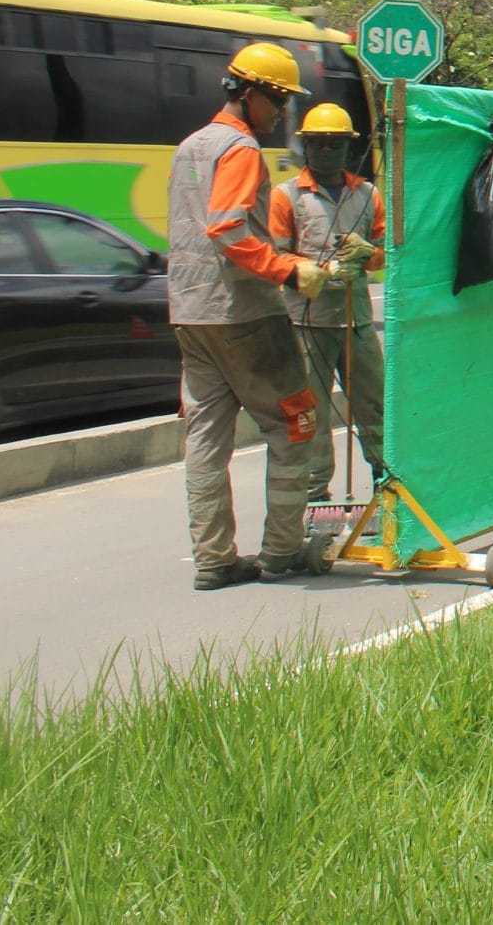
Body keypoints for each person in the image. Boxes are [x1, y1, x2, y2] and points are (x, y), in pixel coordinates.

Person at [167, 43, 331, 588]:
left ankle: (213, 560)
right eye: (279, 100)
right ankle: (281, 551)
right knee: (296, 422)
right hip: (244, 313)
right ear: (252, 93)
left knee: (205, 438)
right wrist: (287, 271)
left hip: (190, 314)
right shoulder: (239, 150)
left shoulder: (190, 147)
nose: (281, 113)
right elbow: (227, 228)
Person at [270, 103, 387, 504]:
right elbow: (276, 256)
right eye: (317, 143)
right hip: (308, 325)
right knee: (312, 418)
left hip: (356, 324)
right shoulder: (286, 197)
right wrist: (316, 268)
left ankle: (387, 498)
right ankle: (316, 502)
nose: (325, 150)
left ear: (346, 147)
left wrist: (367, 253)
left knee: (376, 410)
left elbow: (388, 250)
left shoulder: (368, 194)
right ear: (306, 147)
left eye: (333, 143)